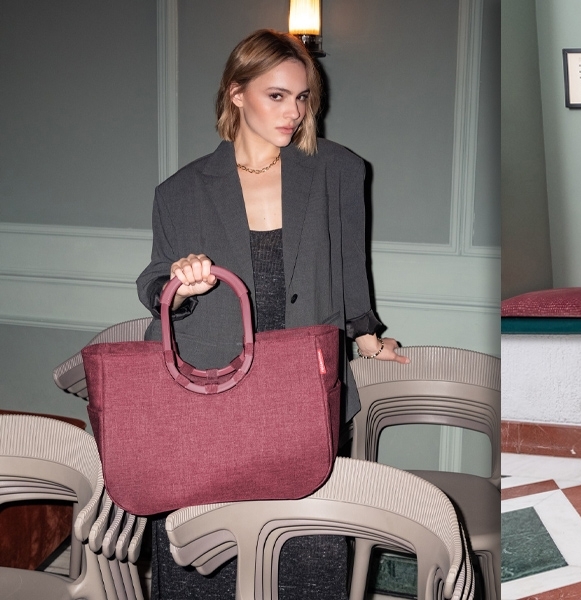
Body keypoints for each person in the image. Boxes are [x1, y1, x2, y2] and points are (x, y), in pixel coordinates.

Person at [136, 29, 407, 598]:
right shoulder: (181, 191)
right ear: (236, 94)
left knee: (305, 548)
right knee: (207, 550)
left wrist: (366, 337)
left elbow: (351, 266)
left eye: (303, 97)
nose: (295, 111)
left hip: (301, 387)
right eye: (276, 95)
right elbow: (154, 282)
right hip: (208, 388)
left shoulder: (338, 170)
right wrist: (181, 285)